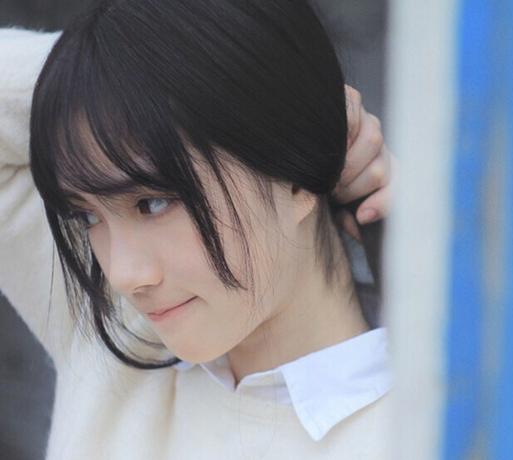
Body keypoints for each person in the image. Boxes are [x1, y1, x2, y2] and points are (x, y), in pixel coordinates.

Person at [0, 1, 393, 458]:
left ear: (295, 175)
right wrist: (100, 76)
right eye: (87, 216)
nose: (123, 275)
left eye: (153, 204)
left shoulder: (431, 428)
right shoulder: (117, 333)